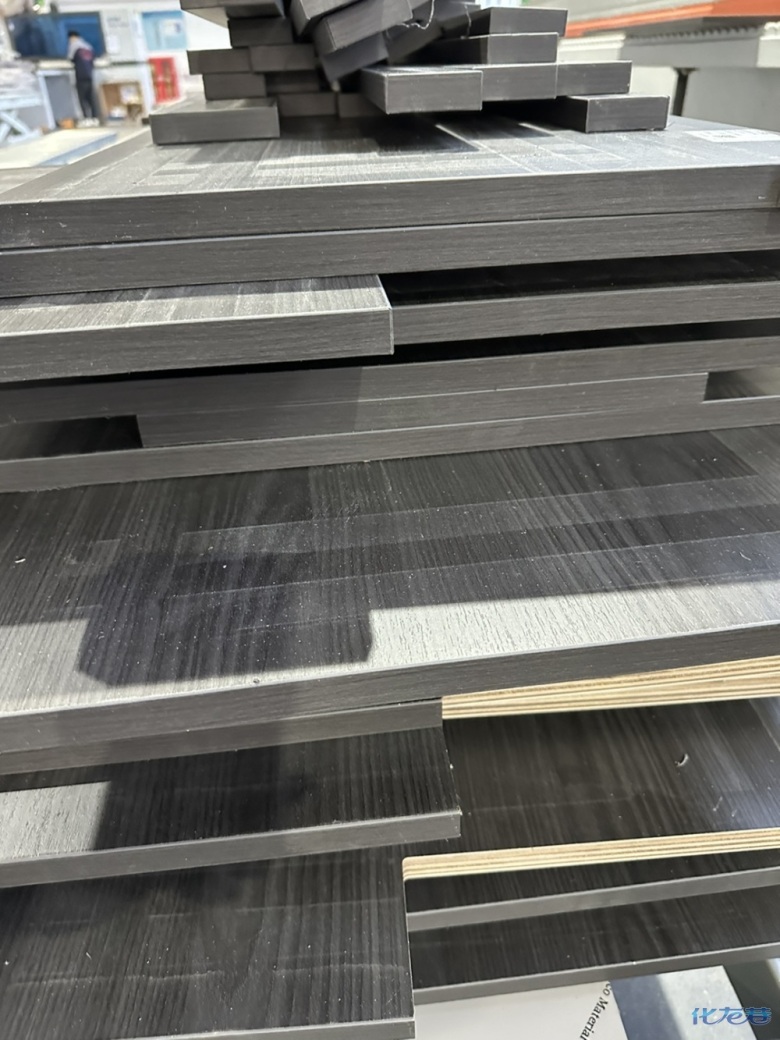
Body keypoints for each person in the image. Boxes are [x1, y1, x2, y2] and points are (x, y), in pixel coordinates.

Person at [67, 30, 99, 122]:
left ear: (72, 37)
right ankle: (95, 117)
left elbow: (70, 59)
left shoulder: (74, 46)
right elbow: (93, 59)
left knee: (82, 98)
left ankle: (86, 118)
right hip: (89, 74)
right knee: (91, 97)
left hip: (80, 75)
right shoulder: (88, 46)